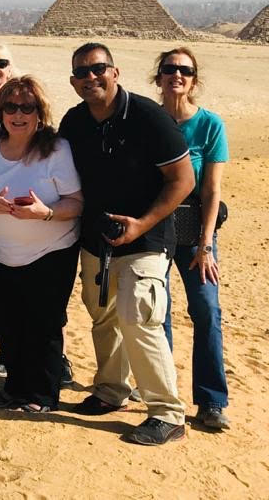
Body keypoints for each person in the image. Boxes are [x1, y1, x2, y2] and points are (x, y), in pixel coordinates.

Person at [59, 42, 192, 445]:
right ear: (73, 81)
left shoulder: (149, 118)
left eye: (98, 68)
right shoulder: (75, 122)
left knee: (140, 319)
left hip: (146, 239)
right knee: (104, 316)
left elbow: (183, 180)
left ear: (115, 72)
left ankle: (167, 413)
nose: (90, 77)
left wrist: (142, 223)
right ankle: (112, 389)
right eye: (82, 72)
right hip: (96, 241)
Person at [0, 76, 83, 412]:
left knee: (42, 325)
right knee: (7, 321)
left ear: (39, 112)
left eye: (26, 107)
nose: (18, 114)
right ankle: (15, 388)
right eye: (11, 107)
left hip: (50, 254)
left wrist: (45, 214)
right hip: (0, 255)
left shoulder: (56, 150)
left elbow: (76, 202)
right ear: (0, 113)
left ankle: (42, 395)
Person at [154, 47, 230, 431]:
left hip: (195, 232)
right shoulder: (147, 121)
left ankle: (212, 400)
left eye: (185, 70)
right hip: (154, 230)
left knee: (207, 311)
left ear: (194, 80)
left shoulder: (210, 125)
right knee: (157, 313)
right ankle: (164, 393)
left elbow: (212, 191)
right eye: (169, 69)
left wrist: (205, 245)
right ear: (159, 77)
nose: (176, 75)